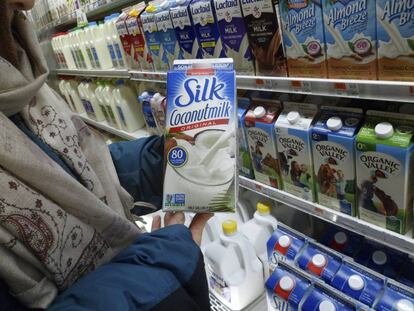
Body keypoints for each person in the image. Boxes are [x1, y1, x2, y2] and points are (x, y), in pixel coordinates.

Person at [0, 1, 212, 310]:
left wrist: (164, 160)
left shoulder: (19, 78)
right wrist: (167, 264)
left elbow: (69, 172)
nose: (28, 4)